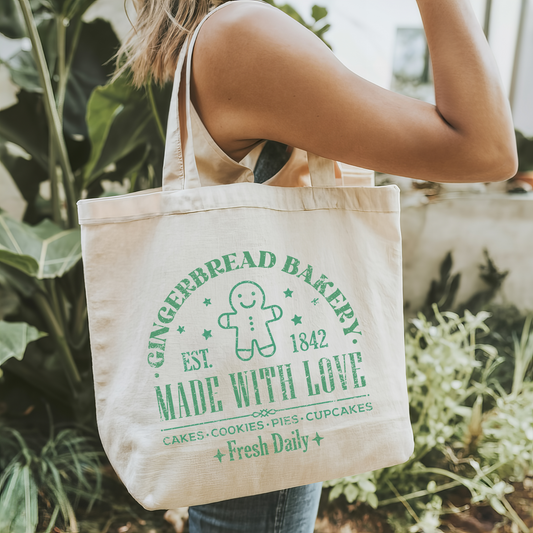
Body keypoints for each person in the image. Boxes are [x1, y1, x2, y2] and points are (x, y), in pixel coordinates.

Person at [115, 0, 518, 531]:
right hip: (266, 437)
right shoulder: (243, 34)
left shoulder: (228, 33)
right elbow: (484, 147)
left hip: (251, 423)